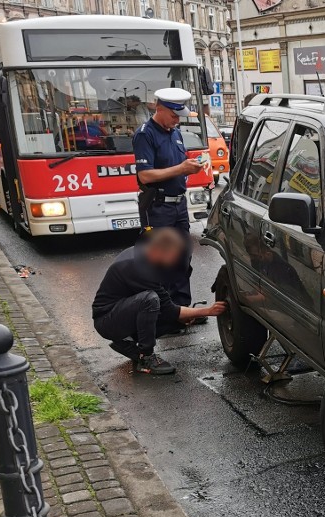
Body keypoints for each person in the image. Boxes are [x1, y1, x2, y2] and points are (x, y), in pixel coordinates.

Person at [92, 228, 226, 375]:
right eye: (173, 256)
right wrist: (208, 311)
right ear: (159, 251)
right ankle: (146, 358)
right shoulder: (140, 269)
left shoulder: (146, 254)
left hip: (122, 311)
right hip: (107, 320)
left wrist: (186, 315)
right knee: (150, 300)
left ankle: (126, 342)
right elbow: (169, 310)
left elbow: (167, 305)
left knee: (176, 320)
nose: (174, 260)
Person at [132, 87, 203, 308]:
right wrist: (181, 169)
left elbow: (177, 165)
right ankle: (162, 314)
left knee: (183, 257)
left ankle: (181, 310)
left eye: (179, 116)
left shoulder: (175, 132)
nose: (176, 120)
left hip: (178, 205)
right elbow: (145, 174)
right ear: (158, 107)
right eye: (173, 115)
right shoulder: (145, 134)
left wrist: (192, 166)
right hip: (158, 207)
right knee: (161, 260)